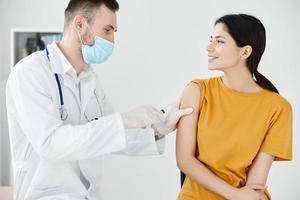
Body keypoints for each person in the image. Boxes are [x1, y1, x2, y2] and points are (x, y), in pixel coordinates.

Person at [5, 0, 193, 199]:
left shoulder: (90, 79)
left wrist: (158, 130)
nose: (112, 41)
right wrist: (123, 120)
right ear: (79, 24)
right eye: (107, 30)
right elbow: (50, 144)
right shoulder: (30, 73)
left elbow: (112, 137)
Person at [176, 14, 292, 200]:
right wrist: (234, 195)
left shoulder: (278, 107)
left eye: (219, 41)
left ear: (245, 52)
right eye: (211, 40)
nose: (209, 47)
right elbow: (185, 160)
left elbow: (256, 182)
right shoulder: (196, 91)